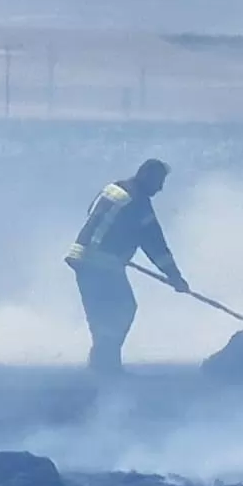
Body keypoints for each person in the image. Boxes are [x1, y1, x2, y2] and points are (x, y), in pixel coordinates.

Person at [66, 159, 185, 374]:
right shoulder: (139, 204)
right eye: (159, 181)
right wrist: (175, 277)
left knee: (101, 313)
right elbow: (155, 245)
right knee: (123, 308)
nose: (160, 188)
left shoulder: (113, 188)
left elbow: (95, 214)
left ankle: (102, 364)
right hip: (102, 264)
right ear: (146, 176)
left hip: (81, 257)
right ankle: (106, 364)